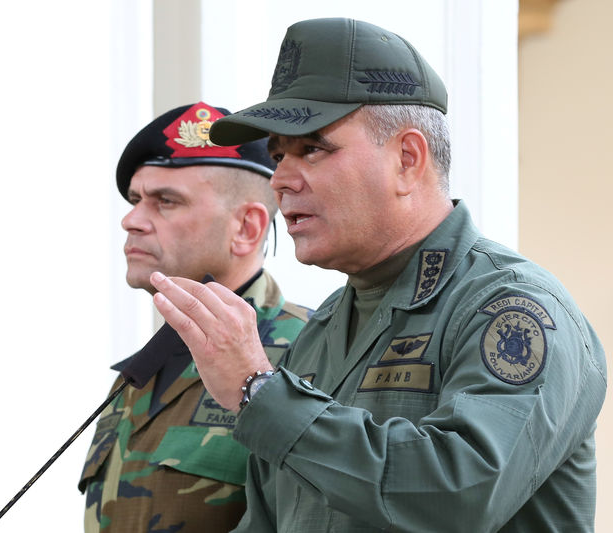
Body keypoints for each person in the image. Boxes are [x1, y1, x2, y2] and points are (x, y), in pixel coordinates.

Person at [149, 18, 607, 532]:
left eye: (311, 148)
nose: (279, 179)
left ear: (408, 160)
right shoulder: (321, 330)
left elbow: (456, 497)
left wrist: (260, 391)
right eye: (278, 156)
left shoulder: (512, 307)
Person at [78, 101, 312, 533]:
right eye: (135, 200)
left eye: (165, 201)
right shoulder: (136, 377)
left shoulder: (310, 355)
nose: (131, 220)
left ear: (246, 228)